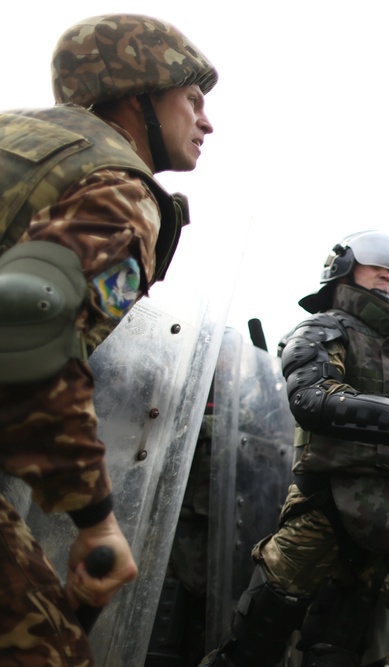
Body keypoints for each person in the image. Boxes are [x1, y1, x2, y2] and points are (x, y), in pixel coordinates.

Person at [0, 14, 217, 665]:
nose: (207, 123)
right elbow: (27, 326)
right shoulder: (121, 188)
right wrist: (94, 517)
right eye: (193, 100)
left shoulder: (18, 138)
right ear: (138, 94)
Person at [201, 231, 389, 667]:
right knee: (253, 648)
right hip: (324, 509)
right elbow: (311, 399)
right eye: (374, 264)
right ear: (342, 268)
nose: (386, 274)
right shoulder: (320, 330)